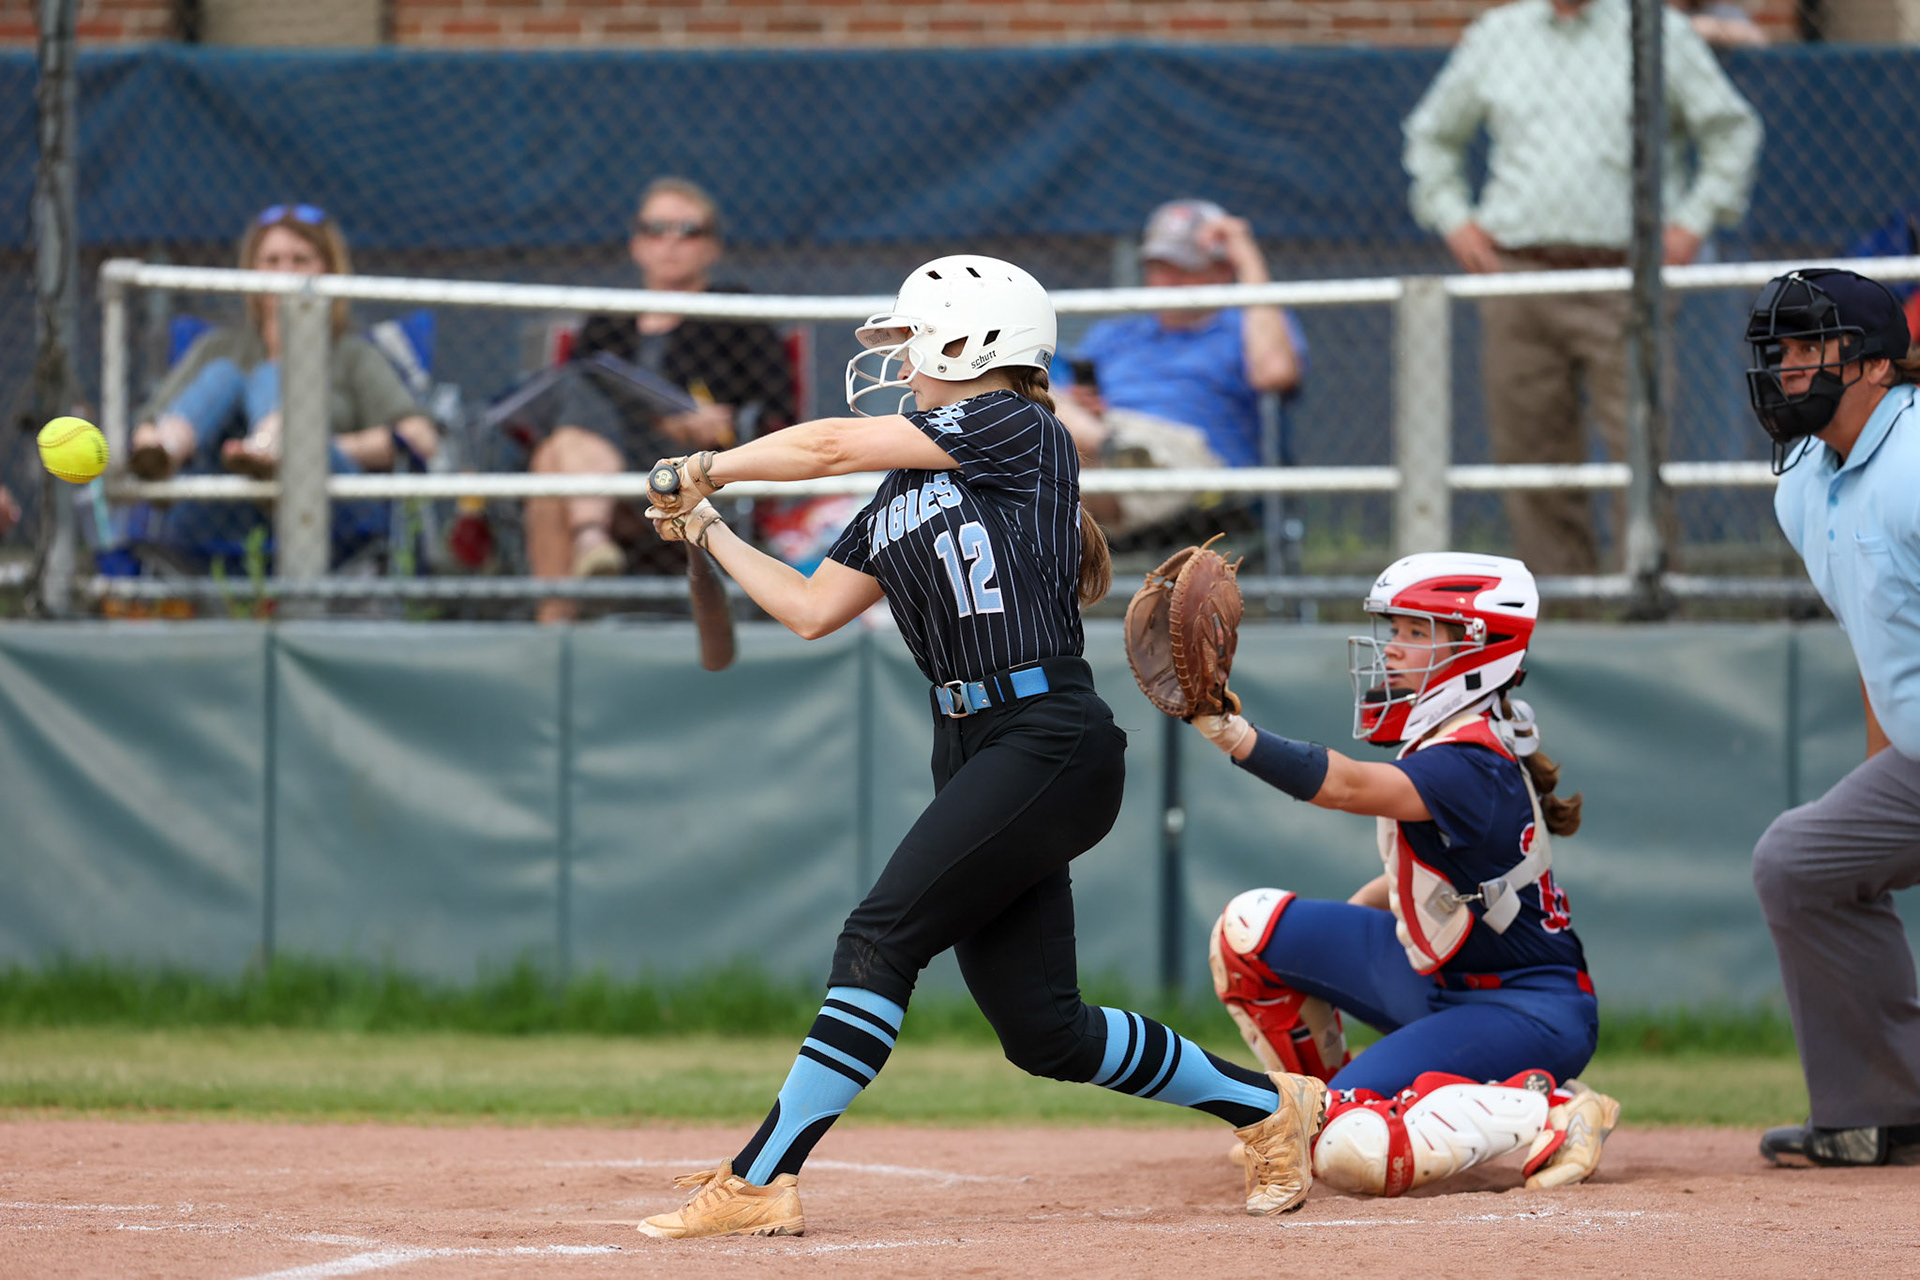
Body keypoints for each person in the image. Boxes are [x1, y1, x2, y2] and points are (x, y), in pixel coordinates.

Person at [633, 255, 1325, 1240]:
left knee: (880, 934)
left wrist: (717, 462)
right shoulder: (904, 486)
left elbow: (826, 445)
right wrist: (705, 526)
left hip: (1047, 733)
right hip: (971, 745)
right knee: (1045, 1031)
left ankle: (761, 1176)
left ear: (973, 342)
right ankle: (1271, 1106)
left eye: (916, 339)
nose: (903, 360)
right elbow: (809, 608)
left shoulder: (1015, 426)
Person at [1191, 552, 1620, 1197]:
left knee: (1351, 1152)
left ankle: (1553, 1108)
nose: (1392, 648)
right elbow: (1414, 884)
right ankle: (1303, 1111)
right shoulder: (1457, 736)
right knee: (1247, 932)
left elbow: (1343, 785)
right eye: (1396, 630)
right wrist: (1332, 951)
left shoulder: (1471, 761)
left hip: (1526, 1009)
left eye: (1416, 633)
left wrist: (1233, 734)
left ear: (1477, 649)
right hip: (1444, 981)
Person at [1403, 0, 1762, 576]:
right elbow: (1431, 136)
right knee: (1530, 458)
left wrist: (1695, 220)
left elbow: (1731, 129)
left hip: (1626, 277)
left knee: (1640, 447)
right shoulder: (1498, 35)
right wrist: (1453, 218)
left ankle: (1646, 602)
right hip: (1516, 276)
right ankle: (1558, 608)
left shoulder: (1657, 32)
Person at [1745, 268, 1920, 1167]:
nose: (1788, 366)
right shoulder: (1804, 484)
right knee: (1800, 863)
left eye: (1814, 346)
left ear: (1878, 367)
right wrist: (1879, 783)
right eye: (1783, 349)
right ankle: (1880, 1110)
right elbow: (1877, 641)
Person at [520, 177, 792, 623]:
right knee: (570, 407)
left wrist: (721, 417)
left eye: (688, 231)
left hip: (690, 466)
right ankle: (588, 545)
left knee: (554, 456)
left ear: (712, 248)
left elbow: (776, 408)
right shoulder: (609, 319)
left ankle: (556, 624)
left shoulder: (735, 311)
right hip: (610, 457)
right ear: (635, 244)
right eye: (656, 229)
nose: (670, 243)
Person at [128, 204, 438, 483]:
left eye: (300, 260)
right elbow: (147, 423)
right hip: (222, 498)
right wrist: (152, 446)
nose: (285, 274)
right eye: (272, 261)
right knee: (223, 374)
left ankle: (271, 444)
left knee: (270, 375)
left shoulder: (353, 354)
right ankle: (170, 450)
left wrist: (316, 451)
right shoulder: (217, 346)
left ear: (328, 270)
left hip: (322, 498)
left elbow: (420, 437)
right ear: (252, 270)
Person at [1051, 199, 1306, 536]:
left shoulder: (1248, 324)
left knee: (1047, 482)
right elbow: (1061, 397)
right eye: (1158, 266)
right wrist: (1081, 404)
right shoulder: (1118, 332)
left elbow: (1275, 372)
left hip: (1191, 459)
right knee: (1029, 393)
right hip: (1103, 445)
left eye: (1183, 267)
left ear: (1222, 271)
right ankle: (1109, 445)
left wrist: (1245, 254)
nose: (1167, 280)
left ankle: (1109, 450)